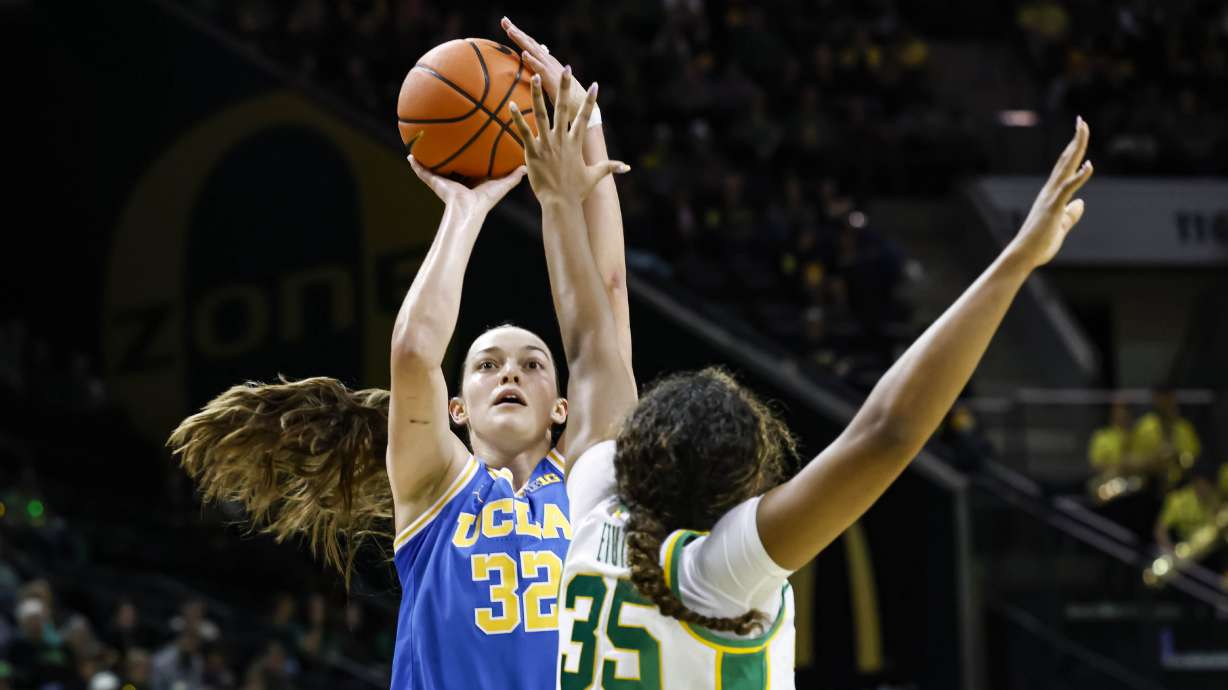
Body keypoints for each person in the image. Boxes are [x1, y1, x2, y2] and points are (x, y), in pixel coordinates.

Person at [543, 118, 1094, 687]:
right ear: (742, 489)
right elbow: (887, 431)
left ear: (635, 455)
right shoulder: (721, 573)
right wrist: (1016, 261)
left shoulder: (593, 510)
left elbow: (595, 339)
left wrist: (567, 180)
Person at [167, 18, 633, 690]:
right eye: (486, 365)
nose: (509, 371)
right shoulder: (436, 488)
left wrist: (584, 130)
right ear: (455, 410)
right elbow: (415, 351)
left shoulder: (588, 479)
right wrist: (466, 208)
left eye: (532, 362)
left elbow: (606, 310)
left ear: (563, 407)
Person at [1132, 387, 1202, 487]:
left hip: (1181, 483)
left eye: (1169, 398)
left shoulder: (1184, 428)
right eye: (1161, 398)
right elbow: (1135, 460)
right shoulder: (1144, 427)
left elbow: (1194, 459)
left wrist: (1178, 457)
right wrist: (1153, 461)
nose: (1165, 402)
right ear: (1155, 399)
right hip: (1150, 483)